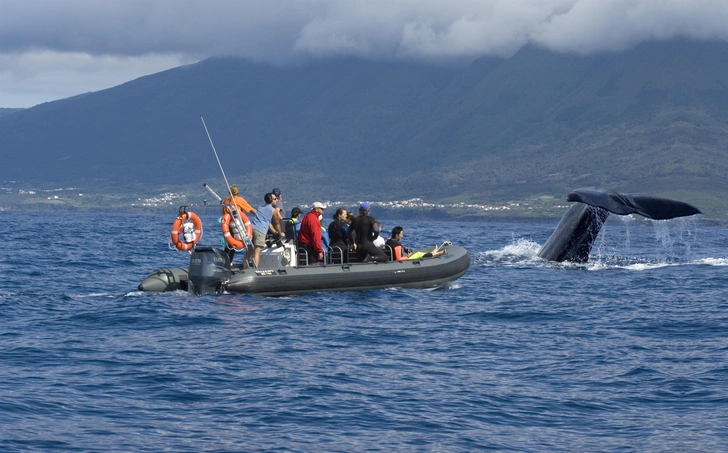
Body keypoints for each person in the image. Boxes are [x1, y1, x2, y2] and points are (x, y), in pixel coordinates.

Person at [245, 192, 284, 268]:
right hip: (260, 231)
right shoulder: (273, 211)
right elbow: (277, 224)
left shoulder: (260, 208)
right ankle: (254, 270)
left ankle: (244, 267)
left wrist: (275, 232)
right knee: (257, 251)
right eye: (275, 199)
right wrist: (280, 233)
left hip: (251, 229)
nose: (276, 200)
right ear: (271, 200)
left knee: (249, 251)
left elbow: (268, 223)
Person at [222, 184, 257, 262]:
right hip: (237, 225)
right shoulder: (239, 200)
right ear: (237, 192)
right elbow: (252, 210)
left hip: (228, 226)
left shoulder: (226, 200)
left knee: (229, 245)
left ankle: (225, 261)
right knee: (249, 241)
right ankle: (247, 262)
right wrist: (261, 215)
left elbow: (223, 213)